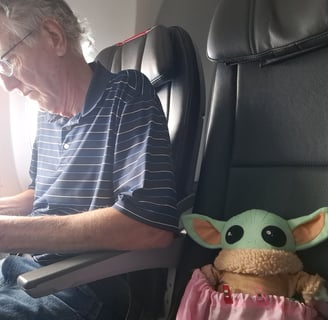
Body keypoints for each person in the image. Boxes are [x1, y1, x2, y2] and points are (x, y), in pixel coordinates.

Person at [0, 0, 178, 319]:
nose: (8, 84)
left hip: (80, 285)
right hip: (23, 271)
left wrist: (7, 232)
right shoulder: (48, 116)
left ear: (53, 36)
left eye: (8, 62)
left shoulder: (127, 93)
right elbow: (40, 193)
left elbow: (147, 226)